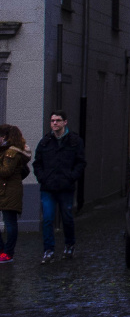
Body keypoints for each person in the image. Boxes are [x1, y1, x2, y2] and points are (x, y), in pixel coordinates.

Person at [32, 111, 85, 263]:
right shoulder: (45, 142)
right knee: (48, 219)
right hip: (48, 187)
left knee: (67, 218)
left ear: (65, 122)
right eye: (52, 120)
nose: (54, 123)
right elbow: (37, 163)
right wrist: (42, 178)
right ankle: (48, 250)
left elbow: (80, 162)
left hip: (65, 187)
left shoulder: (74, 141)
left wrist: (71, 177)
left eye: (58, 120)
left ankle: (69, 245)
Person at [0, 124, 32, 263]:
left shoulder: (11, 153)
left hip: (9, 192)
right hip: (5, 190)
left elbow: (6, 171)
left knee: (10, 222)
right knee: (10, 222)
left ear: (4, 137)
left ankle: (8, 253)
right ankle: (4, 251)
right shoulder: (7, 151)